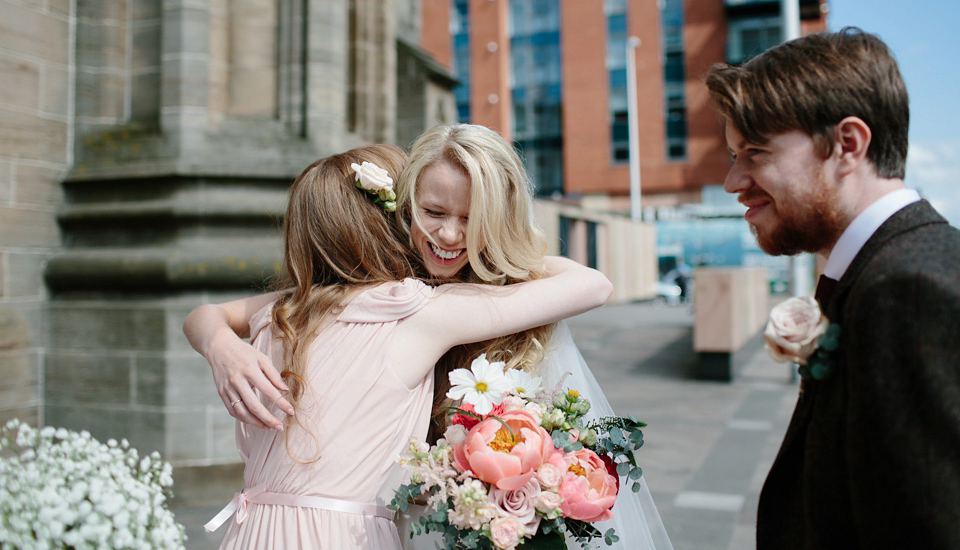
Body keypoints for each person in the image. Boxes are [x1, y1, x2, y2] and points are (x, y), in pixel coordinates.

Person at [190, 124, 674, 549]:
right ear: (398, 212)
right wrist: (219, 344)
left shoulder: (286, 312)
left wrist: (217, 340)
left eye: (472, 219)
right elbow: (593, 283)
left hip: (254, 530)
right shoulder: (424, 309)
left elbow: (207, 312)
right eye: (433, 212)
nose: (448, 235)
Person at [705, 27, 960, 549]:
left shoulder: (907, 290)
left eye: (754, 151)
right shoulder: (884, 271)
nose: (733, 181)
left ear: (847, 144)